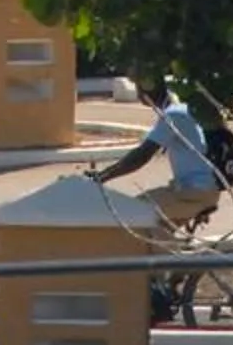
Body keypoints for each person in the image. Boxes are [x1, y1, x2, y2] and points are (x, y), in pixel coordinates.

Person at [85, 82, 223, 237]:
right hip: (203, 189)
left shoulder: (173, 114)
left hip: (193, 192)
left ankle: (159, 258)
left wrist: (102, 177)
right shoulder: (185, 109)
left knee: (134, 212)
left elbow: (142, 155)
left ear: (145, 92)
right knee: (158, 225)